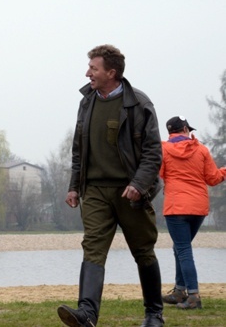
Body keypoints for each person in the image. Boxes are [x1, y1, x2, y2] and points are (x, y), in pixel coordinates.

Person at [57, 44, 165, 327]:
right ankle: (87, 314)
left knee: (143, 251)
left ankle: (154, 314)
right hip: (93, 191)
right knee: (92, 249)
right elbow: (79, 148)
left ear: (111, 73)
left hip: (130, 193)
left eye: (94, 68)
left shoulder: (139, 104)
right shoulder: (87, 102)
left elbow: (154, 153)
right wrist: (73, 186)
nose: (87, 73)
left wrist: (139, 185)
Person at [159, 116, 226, 310]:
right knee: (180, 247)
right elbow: (213, 178)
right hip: (198, 208)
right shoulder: (202, 150)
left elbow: (160, 174)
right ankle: (180, 292)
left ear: (170, 132)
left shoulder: (163, 150)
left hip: (176, 207)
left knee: (183, 249)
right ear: (186, 129)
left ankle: (193, 295)